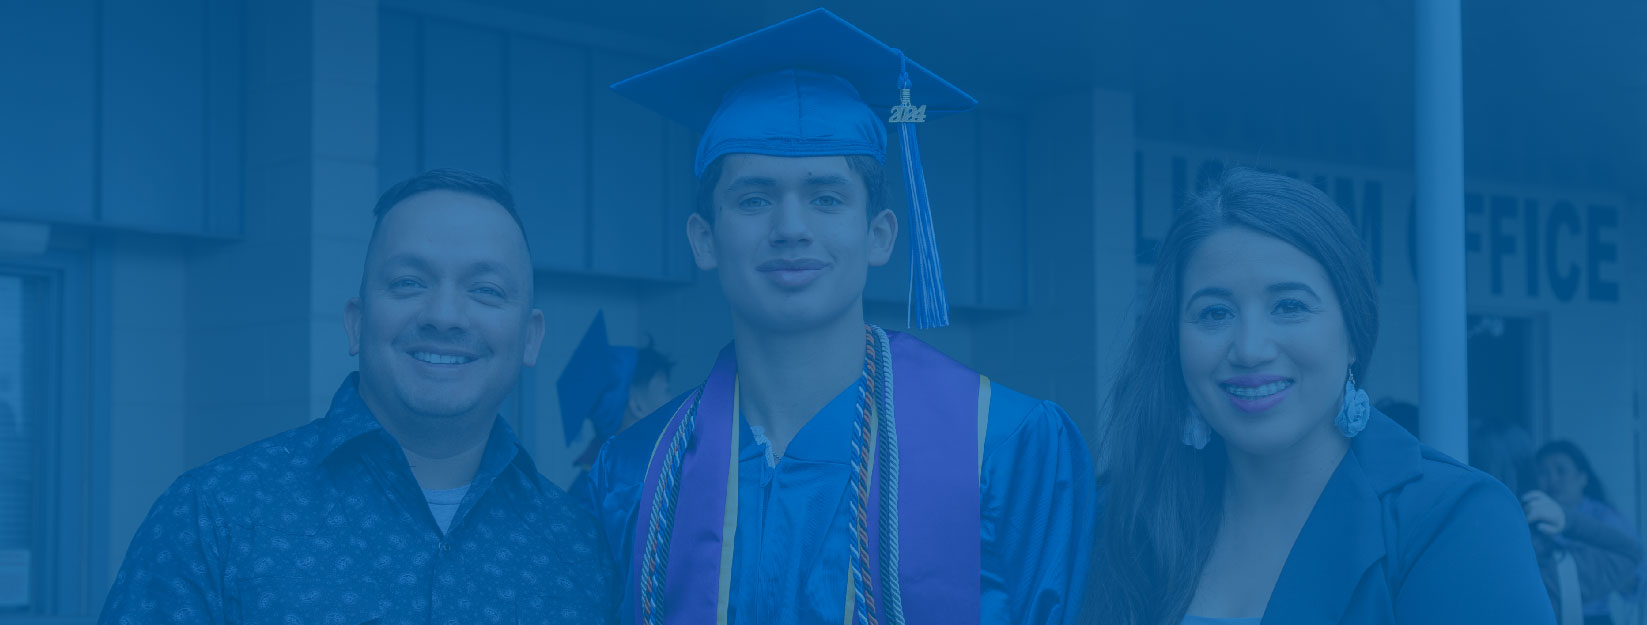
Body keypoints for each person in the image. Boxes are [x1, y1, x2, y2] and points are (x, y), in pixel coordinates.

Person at [586, 9, 1094, 625]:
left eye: (826, 197)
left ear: (880, 236)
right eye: (754, 199)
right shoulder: (638, 470)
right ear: (704, 239)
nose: (791, 228)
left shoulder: (1004, 444)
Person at [99, 169, 617, 624]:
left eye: (485, 290)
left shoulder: (581, 547)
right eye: (409, 282)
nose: (445, 315)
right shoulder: (213, 518)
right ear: (356, 323)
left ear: (530, 338)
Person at [1084, 167, 1552, 625]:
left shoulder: (1455, 520)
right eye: (1214, 313)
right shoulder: (1122, 517)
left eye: (1289, 306)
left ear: (1353, 333)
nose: (1249, 349)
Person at [1530, 440, 1647, 625]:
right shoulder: (1530, 517)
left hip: (1593, 617)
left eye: (1561, 471)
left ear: (1583, 477)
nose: (1553, 480)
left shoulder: (1606, 517)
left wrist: (1587, 578)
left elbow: (1638, 576)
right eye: (1544, 473)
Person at [558, 310, 675, 493]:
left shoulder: (588, 486)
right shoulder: (639, 486)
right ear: (637, 406)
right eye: (666, 391)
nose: (672, 401)